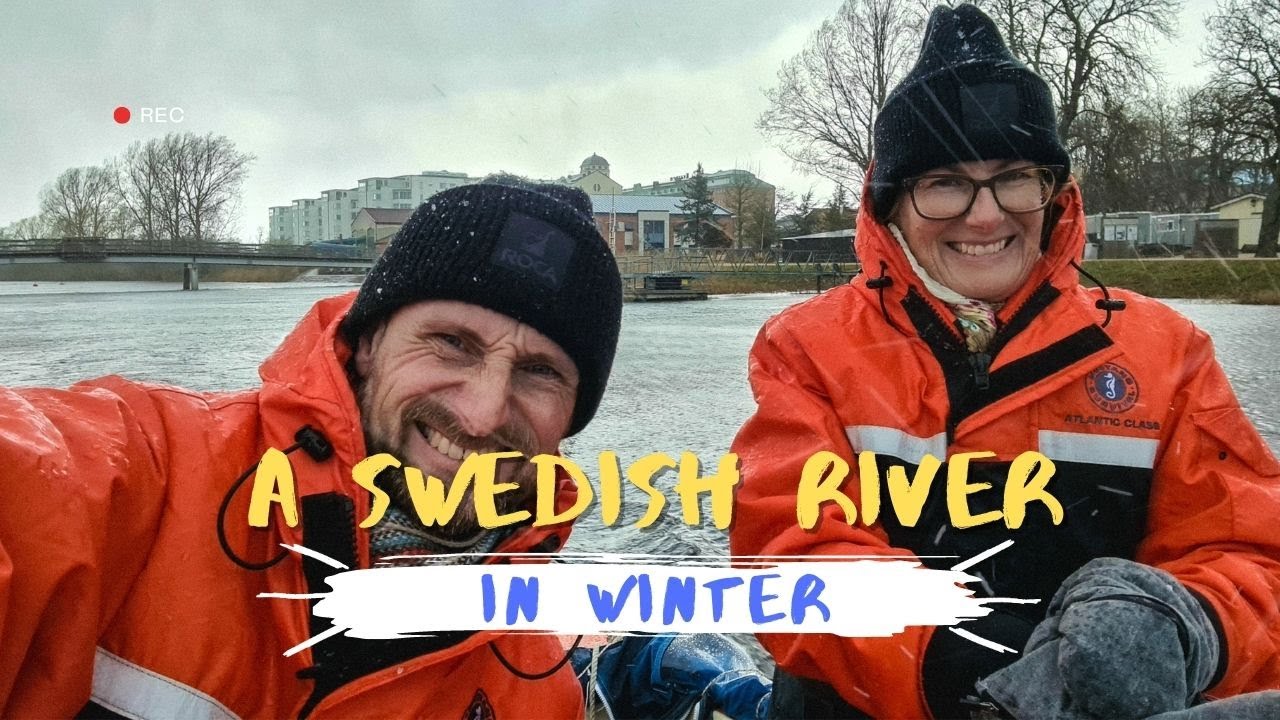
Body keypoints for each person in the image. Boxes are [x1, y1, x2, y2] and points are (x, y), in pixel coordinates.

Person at [730, 5, 1280, 719]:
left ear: (1053, 193)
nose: (985, 216)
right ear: (891, 204)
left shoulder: (1167, 353)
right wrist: (962, 656)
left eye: (1014, 176)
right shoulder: (807, 348)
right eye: (944, 183)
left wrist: (1190, 624)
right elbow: (789, 554)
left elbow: (1252, 556)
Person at [0, 181, 623, 718]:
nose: (483, 414)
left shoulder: (536, 688)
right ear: (370, 340)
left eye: (540, 372)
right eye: (452, 343)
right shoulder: (144, 474)